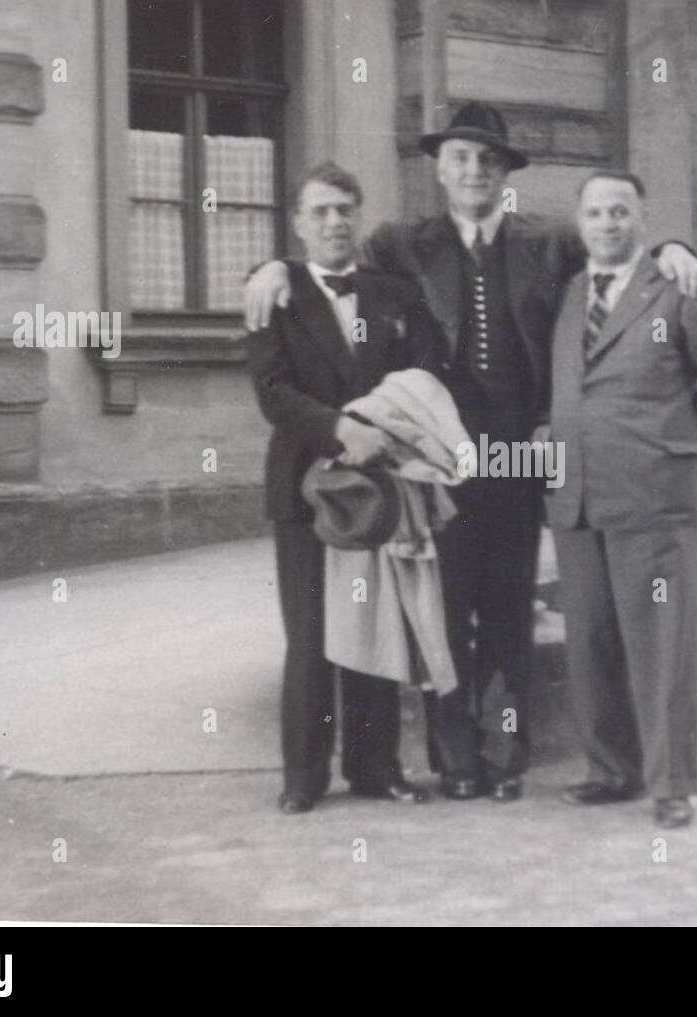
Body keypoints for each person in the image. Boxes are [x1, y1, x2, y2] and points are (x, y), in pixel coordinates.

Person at [245, 102, 697, 804]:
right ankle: (455, 756)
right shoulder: (403, 243)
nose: (474, 171)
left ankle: (505, 755)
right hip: (438, 454)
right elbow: (325, 259)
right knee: (442, 609)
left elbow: (619, 246)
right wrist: (269, 267)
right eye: (461, 158)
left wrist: (678, 246)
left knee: (506, 608)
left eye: (488, 160)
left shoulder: (546, 240)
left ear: (505, 174)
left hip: (521, 451)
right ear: (439, 168)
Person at [544, 170, 697, 829]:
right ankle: (611, 770)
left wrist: (681, 445)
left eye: (620, 212)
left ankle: (672, 784)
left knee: (660, 641)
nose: (607, 224)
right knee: (593, 639)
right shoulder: (573, 291)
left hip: (653, 492)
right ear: (580, 225)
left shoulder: (676, 286)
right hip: (576, 495)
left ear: (643, 219)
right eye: (596, 213)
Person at [246, 161, 442, 814]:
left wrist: (386, 427)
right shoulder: (273, 293)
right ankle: (303, 776)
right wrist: (340, 430)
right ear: (299, 224)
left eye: (344, 209)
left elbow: (425, 370)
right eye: (321, 210)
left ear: (358, 217)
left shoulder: (394, 295)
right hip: (306, 487)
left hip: (379, 489)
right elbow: (273, 392)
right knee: (309, 634)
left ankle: (374, 766)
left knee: (372, 622)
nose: (335, 221)